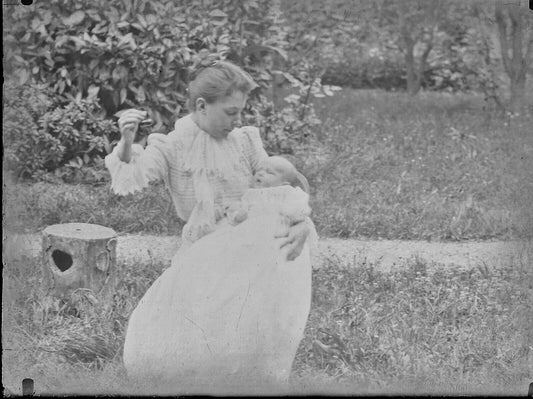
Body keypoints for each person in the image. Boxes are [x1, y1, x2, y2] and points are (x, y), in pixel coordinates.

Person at [105, 61, 314, 391]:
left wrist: (302, 221)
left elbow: (278, 186)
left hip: (247, 244)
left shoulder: (245, 141)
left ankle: (243, 375)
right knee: (192, 319)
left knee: (243, 318)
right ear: (202, 106)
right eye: (230, 113)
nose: (237, 121)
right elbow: (136, 173)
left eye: (240, 113)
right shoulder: (173, 145)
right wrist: (128, 141)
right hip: (204, 246)